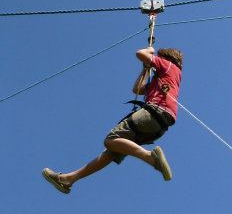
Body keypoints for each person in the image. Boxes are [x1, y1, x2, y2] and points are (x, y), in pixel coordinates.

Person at [42, 46, 182, 194]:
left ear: (167, 58)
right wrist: (145, 70)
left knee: (111, 140)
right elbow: (137, 89)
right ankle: (68, 179)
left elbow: (140, 53)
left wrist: (149, 50)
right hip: (159, 124)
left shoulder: (168, 65)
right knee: (111, 151)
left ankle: (150, 158)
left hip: (153, 113)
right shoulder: (164, 78)